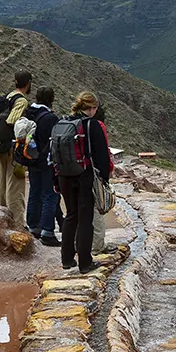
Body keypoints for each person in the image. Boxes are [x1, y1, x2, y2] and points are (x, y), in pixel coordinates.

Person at [59, 92, 111, 274]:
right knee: (85, 218)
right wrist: (104, 179)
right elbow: (102, 155)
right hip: (84, 176)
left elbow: (53, 154)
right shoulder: (92, 125)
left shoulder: (63, 123)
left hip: (64, 175)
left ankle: (66, 259)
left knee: (71, 215)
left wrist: (55, 180)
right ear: (92, 108)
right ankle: (85, 262)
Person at [24, 86, 62, 246]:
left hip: (31, 159)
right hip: (46, 162)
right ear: (51, 99)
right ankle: (47, 231)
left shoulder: (28, 113)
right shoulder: (50, 118)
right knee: (50, 195)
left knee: (34, 192)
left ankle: (33, 226)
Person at [0, 71, 31, 227]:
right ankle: (17, 223)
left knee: (2, 182)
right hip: (14, 147)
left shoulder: (9, 95)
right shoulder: (21, 101)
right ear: (28, 83)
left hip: (2, 145)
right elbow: (12, 121)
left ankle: (0, 217)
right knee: (15, 185)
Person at [91, 102, 117, 255]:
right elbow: (103, 151)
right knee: (98, 208)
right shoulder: (98, 126)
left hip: (76, 173)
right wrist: (107, 172)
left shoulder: (75, 122)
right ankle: (98, 245)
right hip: (95, 174)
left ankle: (77, 243)